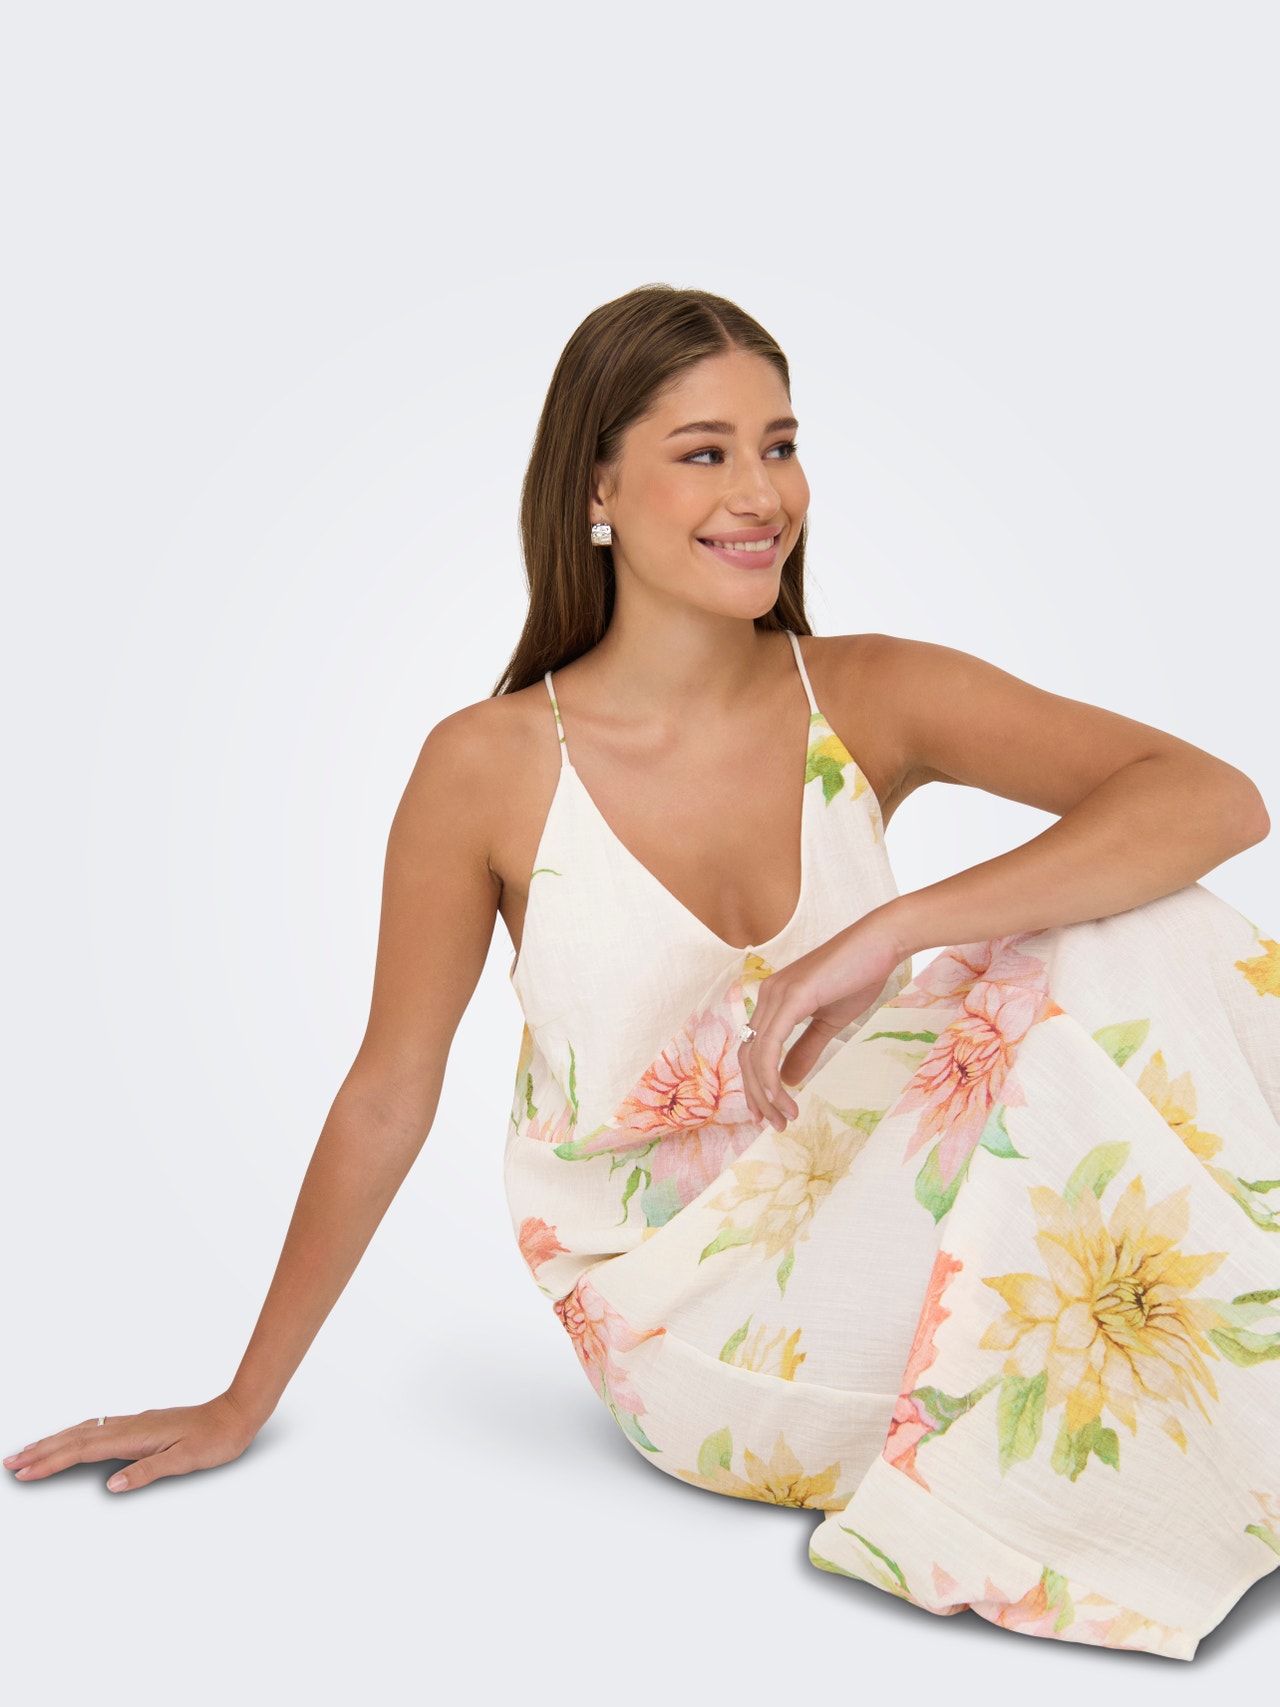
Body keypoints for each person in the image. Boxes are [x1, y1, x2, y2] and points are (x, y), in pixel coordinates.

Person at [9, 285, 1278, 1659]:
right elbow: (387, 1091)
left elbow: (1211, 799)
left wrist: (887, 930)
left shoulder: (868, 693)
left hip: (871, 1211)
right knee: (1091, 1016)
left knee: (1138, 920)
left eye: (779, 445)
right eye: (703, 452)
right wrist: (241, 1399)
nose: (760, 493)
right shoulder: (487, 764)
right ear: (597, 489)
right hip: (685, 1316)